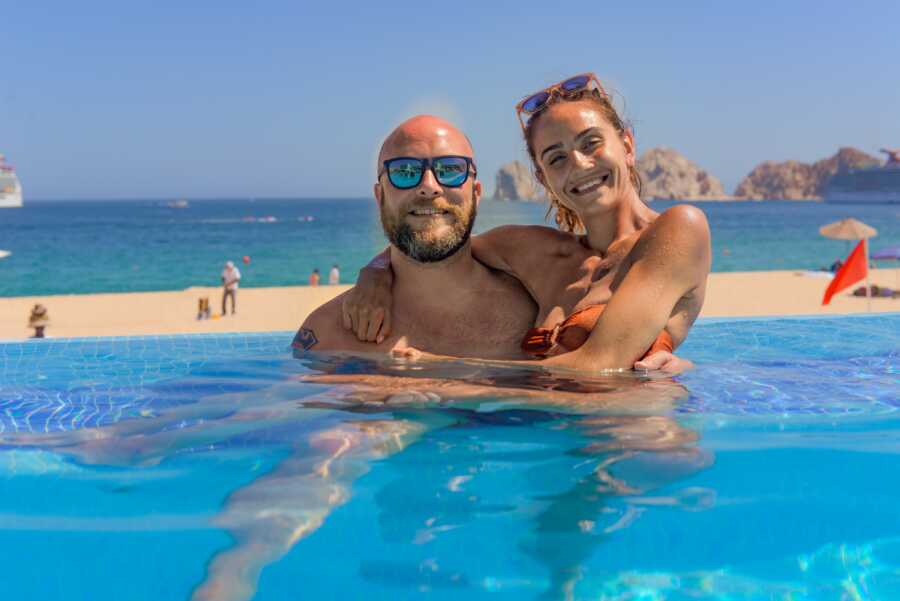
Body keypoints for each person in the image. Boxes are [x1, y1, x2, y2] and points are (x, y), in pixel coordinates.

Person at [338, 74, 710, 370]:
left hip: (633, 453)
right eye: (556, 158)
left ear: (627, 145)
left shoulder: (679, 230)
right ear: (543, 177)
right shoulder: (534, 252)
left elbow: (598, 368)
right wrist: (373, 276)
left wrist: (441, 370)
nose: (579, 164)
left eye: (590, 143)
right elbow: (432, 236)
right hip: (552, 446)